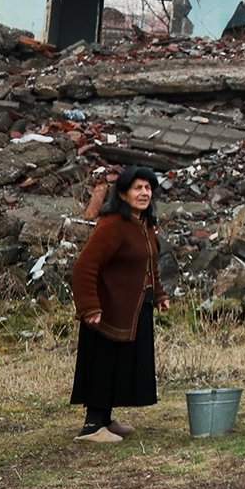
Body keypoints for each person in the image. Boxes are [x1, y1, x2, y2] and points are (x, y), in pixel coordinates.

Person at [69, 166, 168, 443]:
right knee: (103, 362)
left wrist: (159, 294)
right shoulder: (113, 224)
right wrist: (89, 307)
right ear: (123, 193)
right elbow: (85, 267)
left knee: (121, 363)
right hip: (108, 308)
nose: (144, 193)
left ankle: (105, 420)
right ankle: (91, 426)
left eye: (148, 188)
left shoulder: (144, 225)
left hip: (134, 309)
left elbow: (150, 264)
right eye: (138, 188)